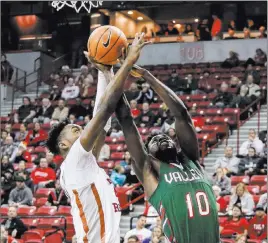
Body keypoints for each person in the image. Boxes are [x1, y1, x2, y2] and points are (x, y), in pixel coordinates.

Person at [45, 33, 148, 243]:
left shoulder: (83, 164)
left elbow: (103, 122)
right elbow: (104, 111)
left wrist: (105, 71)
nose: (82, 130)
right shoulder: (74, 161)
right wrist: (126, 63)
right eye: (75, 130)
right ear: (63, 144)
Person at [115, 65, 219, 243]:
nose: (160, 139)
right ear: (149, 155)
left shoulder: (191, 158)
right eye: (153, 141)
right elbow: (126, 120)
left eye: (163, 136)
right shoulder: (150, 173)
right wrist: (115, 73)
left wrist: (148, 76)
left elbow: (182, 114)